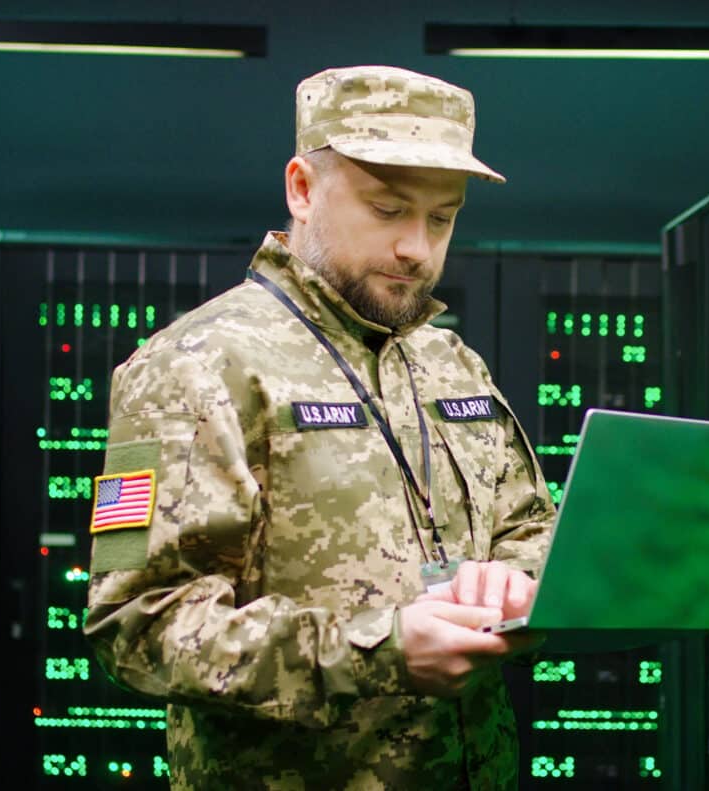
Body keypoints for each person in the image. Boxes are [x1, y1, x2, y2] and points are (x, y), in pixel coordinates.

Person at [82, 65, 556, 789]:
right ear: (301, 189)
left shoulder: (448, 362)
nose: (416, 250)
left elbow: (530, 529)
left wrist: (519, 587)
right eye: (389, 209)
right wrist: (382, 648)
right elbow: (139, 628)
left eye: (441, 217)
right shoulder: (197, 364)